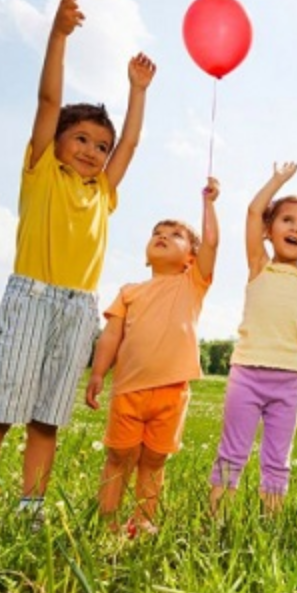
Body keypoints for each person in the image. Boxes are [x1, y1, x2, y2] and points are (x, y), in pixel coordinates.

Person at [0, 0, 157, 532]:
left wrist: (137, 91)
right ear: (58, 142)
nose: (93, 151)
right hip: (32, 297)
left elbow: (131, 143)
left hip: (77, 310)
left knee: (46, 419)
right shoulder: (42, 170)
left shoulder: (103, 193)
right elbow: (48, 100)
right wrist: (59, 35)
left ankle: (31, 513)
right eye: (82, 139)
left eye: (101, 146)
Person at [208, 161, 297, 515]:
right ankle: (216, 521)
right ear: (269, 230)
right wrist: (277, 180)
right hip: (246, 373)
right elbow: (253, 211)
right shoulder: (258, 264)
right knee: (232, 452)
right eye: (286, 220)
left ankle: (270, 523)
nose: (294, 228)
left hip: (288, 380)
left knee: (277, 459)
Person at [85, 178, 220, 537]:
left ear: (190, 258)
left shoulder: (192, 283)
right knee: (119, 456)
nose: (163, 236)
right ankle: (108, 520)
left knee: (154, 459)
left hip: (172, 392)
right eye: (157, 233)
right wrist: (98, 373)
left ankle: (143, 520)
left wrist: (208, 204)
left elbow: (211, 243)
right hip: (128, 389)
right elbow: (110, 336)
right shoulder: (129, 292)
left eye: (175, 235)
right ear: (147, 255)